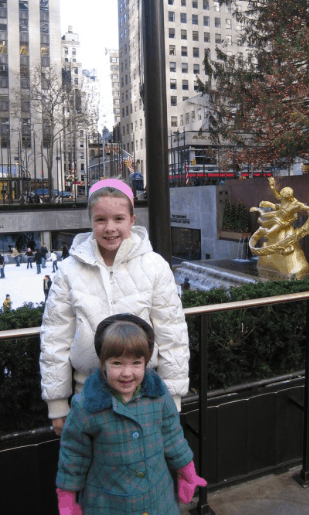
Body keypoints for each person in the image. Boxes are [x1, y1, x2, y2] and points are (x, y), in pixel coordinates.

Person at [40, 179, 189, 437]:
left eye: (119, 219)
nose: (110, 228)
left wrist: (172, 397)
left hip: (145, 394)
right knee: (91, 470)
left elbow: (172, 335)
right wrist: (57, 403)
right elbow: (55, 338)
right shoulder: (68, 271)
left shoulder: (155, 267)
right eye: (100, 220)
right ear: (91, 221)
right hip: (86, 395)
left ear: (132, 220)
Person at [56, 315, 206, 515]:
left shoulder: (158, 395)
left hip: (158, 500)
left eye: (136, 363)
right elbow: (74, 454)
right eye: (117, 363)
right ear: (103, 364)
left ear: (145, 363)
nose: (127, 373)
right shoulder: (86, 406)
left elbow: (172, 436)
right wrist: (67, 496)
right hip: (108, 504)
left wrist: (186, 471)